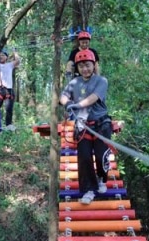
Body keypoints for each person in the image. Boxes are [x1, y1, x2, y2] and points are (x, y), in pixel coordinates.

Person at [59, 49, 112, 205]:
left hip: (101, 124)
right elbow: (63, 96)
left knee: (102, 156)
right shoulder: (74, 82)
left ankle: (102, 177)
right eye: (81, 66)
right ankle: (88, 190)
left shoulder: (101, 81)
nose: (85, 69)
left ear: (93, 65)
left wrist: (76, 105)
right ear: (77, 68)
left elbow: (93, 98)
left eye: (87, 65)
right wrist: (68, 103)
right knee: (84, 158)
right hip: (82, 125)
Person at [0, 48, 20, 132]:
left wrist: (15, 52)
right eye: (0, 55)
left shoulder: (10, 65)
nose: (1, 56)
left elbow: (17, 61)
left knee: (9, 109)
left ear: (6, 57)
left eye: (3, 55)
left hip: (8, 90)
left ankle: (9, 124)